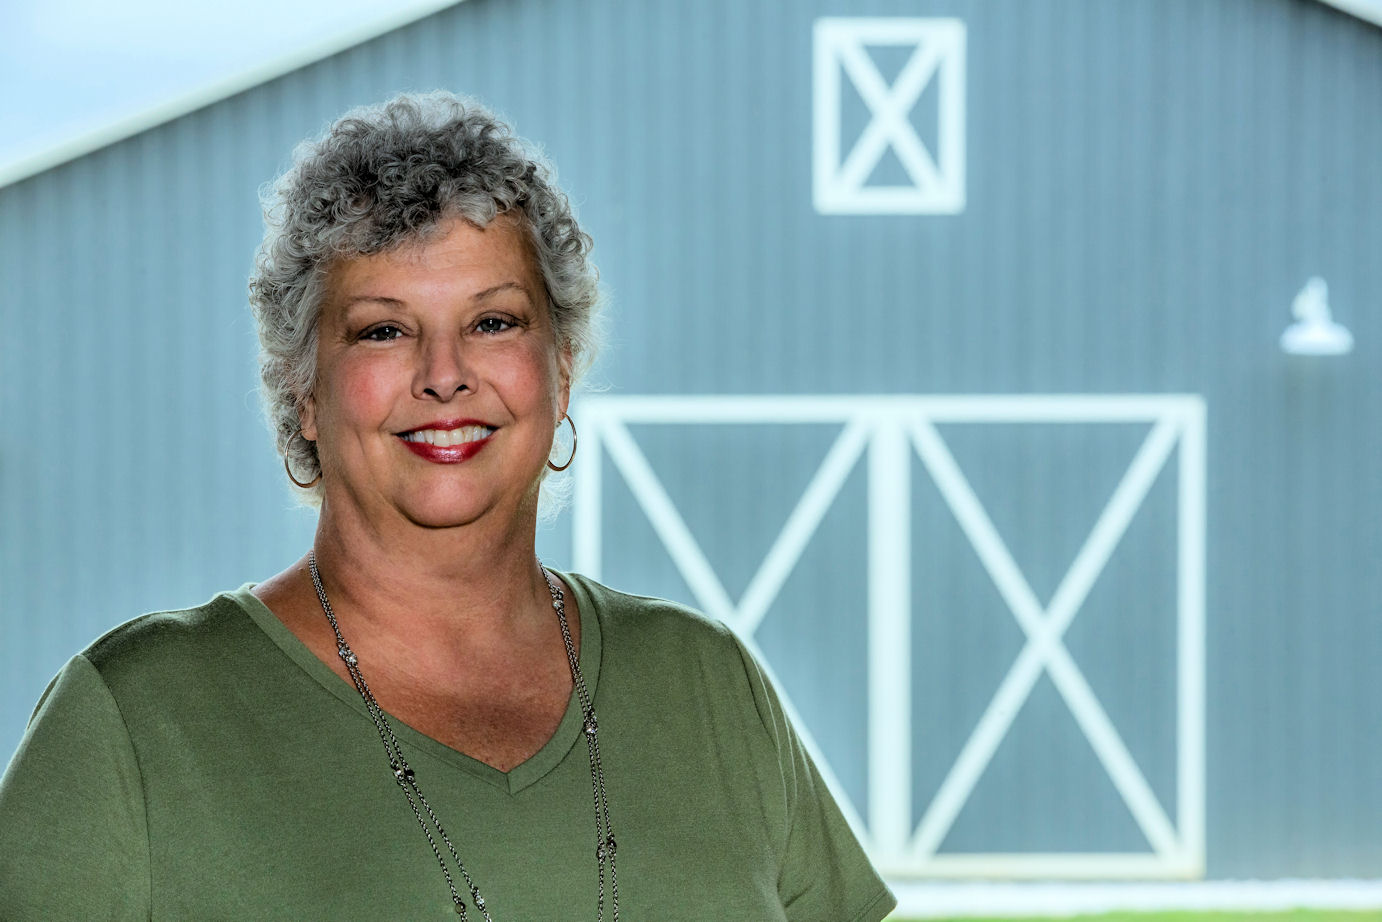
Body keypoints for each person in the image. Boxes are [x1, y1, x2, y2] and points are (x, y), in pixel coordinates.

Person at [0, 92, 896, 921]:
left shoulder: (708, 687)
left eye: (494, 321)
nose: (444, 375)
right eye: (383, 329)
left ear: (561, 368)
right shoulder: (134, 721)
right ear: (304, 390)